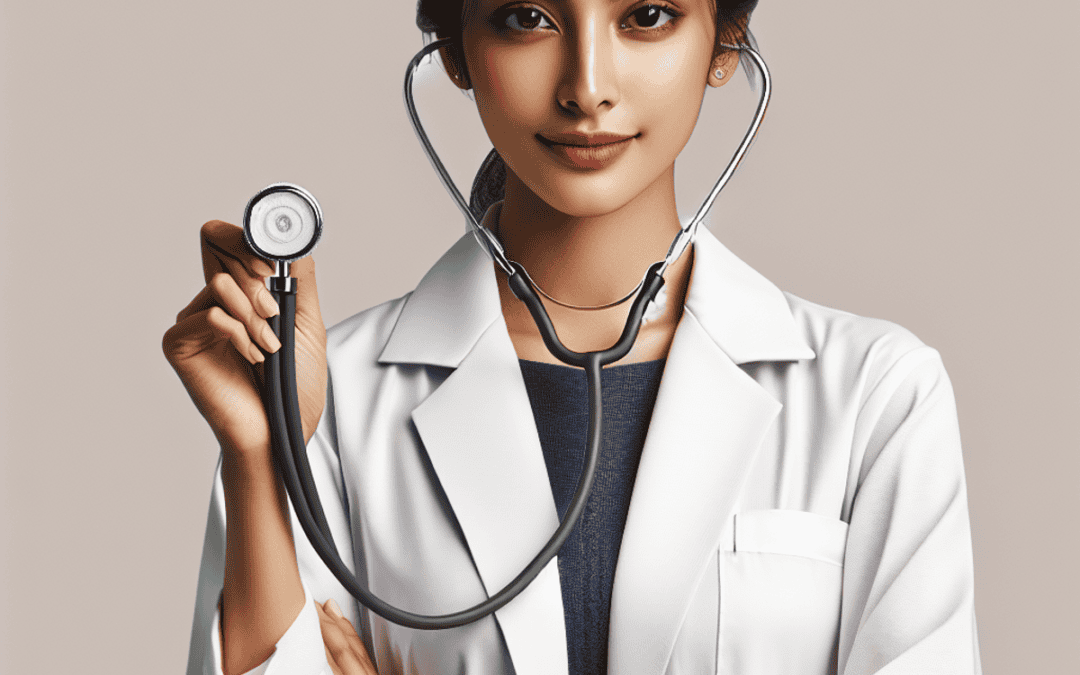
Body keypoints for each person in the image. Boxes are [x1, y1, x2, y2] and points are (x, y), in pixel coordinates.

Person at [164, 1, 982, 673]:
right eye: (527, 19)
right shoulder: (330, 397)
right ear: (453, 49)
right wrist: (261, 454)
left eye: (648, 17)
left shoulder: (875, 394)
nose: (587, 87)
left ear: (725, 44)